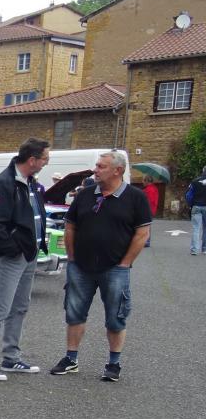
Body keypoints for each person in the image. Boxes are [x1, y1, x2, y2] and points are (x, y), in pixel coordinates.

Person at [50, 150, 152, 382]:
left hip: (115, 268)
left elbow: (142, 233)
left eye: (101, 166)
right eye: (96, 165)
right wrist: (72, 258)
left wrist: (125, 263)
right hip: (81, 266)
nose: (95, 170)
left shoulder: (135, 198)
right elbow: (70, 227)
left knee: (116, 317)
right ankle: (71, 359)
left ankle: (113, 364)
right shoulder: (85, 194)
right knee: (74, 313)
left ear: (118, 170)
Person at [0, 137, 50, 381]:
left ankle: (11, 358)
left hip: (29, 254)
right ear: (32, 160)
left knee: (19, 307)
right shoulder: (4, 183)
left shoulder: (30, 182)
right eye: (44, 159)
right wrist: (13, 249)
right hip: (11, 257)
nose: (46, 163)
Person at [188, 165, 206, 255]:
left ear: (203, 170)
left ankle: (194, 250)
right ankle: (204, 249)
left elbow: (189, 195)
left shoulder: (195, 181)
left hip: (196, 206)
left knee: (196, 228)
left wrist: (190, 205)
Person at [141, 175, 159, 247]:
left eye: (143, 180)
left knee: (146, 225)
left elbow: (149, 201)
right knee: (146, 225)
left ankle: (146, 241)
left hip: (148, 210)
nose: (142, 182)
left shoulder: (149, 190)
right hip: (151, 210)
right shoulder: (153, 188)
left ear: (147, 181)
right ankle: (146, 241)